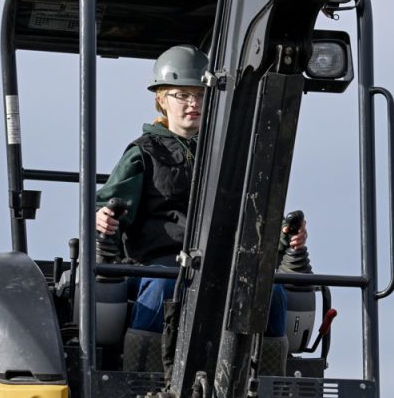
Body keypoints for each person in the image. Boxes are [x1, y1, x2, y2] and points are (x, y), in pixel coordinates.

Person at [95, 44, 305, 371]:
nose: (193, 103)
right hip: (158, 263)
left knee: (272, 292)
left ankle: (265, 395)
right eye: (182, 95)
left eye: (200, 95)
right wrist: (105, 216)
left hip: (221, 261)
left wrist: (282, 237)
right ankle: (142, 386)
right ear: (161, 99)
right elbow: (109, 204)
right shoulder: (143, 153)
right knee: (164, 288)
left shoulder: (230, 156)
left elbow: (252, 216)